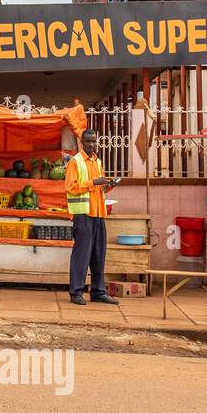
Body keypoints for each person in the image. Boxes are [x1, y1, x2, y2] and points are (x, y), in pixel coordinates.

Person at [65, 129, 121, 306]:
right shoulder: (75, 162)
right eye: (88, 141)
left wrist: (108, 185)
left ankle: (98, 291)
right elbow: (70, 187)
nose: (92, 144)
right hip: (83, 214)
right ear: (81, 142)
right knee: (81, 255)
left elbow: (99, 189)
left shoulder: (98, 161)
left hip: (98, 212)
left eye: (94, 141)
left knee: (99, 254)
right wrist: (93, 183)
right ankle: (76, 292)